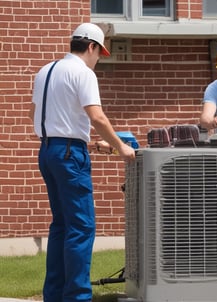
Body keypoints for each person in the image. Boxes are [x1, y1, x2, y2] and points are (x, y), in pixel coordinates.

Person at [29, 23, 135, 302]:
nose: (98, 59)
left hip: (48, 150)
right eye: (99, 53)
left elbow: (34, 113)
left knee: (61, 226)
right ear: (91, 47)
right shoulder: (83, 73)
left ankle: (54, 296)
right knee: (82, 227)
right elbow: (97, 117)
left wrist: (71, 136)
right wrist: (120, 147)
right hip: (68, 154)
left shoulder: (45, 71)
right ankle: (77, 297)